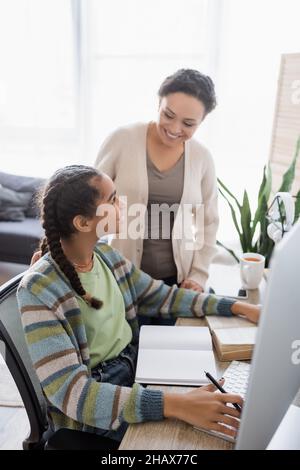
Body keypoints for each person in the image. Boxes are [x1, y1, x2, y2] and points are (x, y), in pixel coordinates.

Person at [17, 165, 260, 443]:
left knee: (211, 421)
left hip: (136, 372)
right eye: (112, 200)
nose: (122, 205)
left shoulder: (106, 256)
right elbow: (74, 394)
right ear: (83, 223)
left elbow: (162, 296)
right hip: (95, 412)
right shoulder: (39, 288)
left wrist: (240, 308)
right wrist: (174, 404)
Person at [95, 69, 219, 293]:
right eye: (168, 115)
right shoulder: (122, 139)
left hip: (178, 283)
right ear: (158, 104)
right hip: (122, 278)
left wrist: (198, 275)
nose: (174, 129)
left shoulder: (202, 158)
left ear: (202, 122)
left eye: (188, 123)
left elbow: (208, 223)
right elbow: (89, 200)